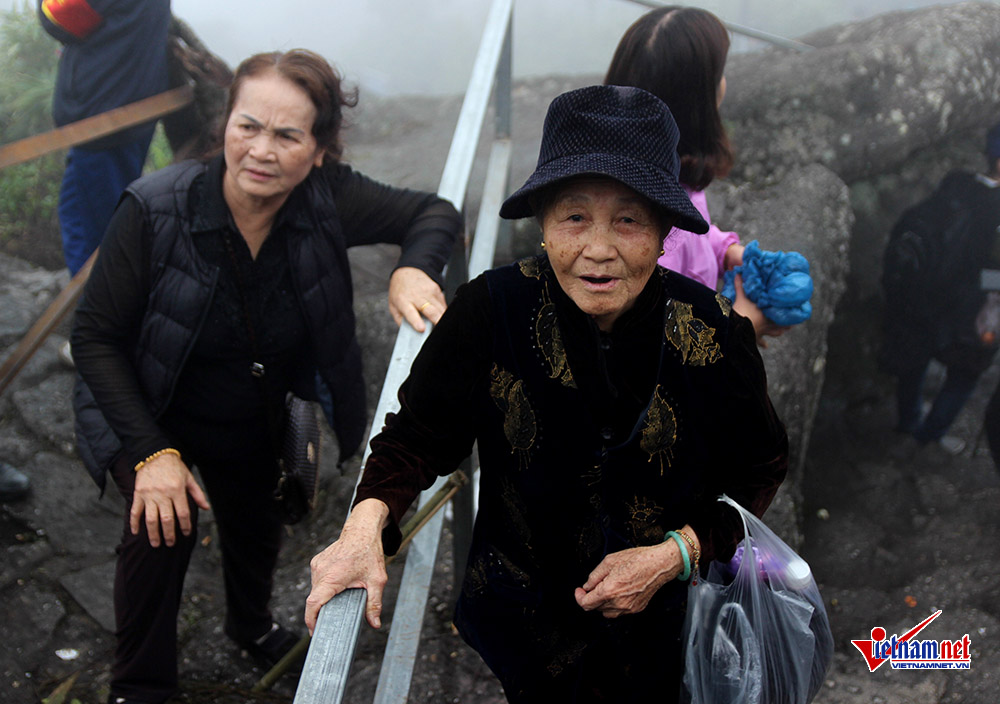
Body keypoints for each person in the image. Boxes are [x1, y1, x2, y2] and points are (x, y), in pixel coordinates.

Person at [306, 85, 788, 702]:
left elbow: (760, 467)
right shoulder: (491, 310)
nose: (598, 248)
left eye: (629, 219)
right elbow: (419, 436)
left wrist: (676, 556)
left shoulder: (714, 330)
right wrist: (362, 531)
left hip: (666, 627)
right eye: (575, 215)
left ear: (665, 231)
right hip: (525, 618)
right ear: (543, 222)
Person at [70, 49, 462, 704]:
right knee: (161, 524)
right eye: (247, 126)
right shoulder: (154, 209)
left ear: (318, 150)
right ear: (224, 123)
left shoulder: (326, 198)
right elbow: (95, 339)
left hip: (254, 405)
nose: (261, 150)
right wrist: (150, 454)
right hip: (151, 400)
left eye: (287, 135)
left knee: (257, 517)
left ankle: (249, 626)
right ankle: (138, 686)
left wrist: (413, 266)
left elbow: (434, 211)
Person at [604, 5, 791, 346]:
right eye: (718, 73)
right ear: (697, 102)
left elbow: (695, 236)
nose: (724, 82)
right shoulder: (647, 229)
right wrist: (744, 325)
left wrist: (725, 250)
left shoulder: (665, 180)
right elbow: (652, 350)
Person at [882, 121, 1000, 457]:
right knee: (964, 377)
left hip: (925, 298)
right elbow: (990, 273)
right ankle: (927, 438)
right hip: (969, 311)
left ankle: (907, 423)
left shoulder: (958, 182)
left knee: (916, 361)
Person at [39, 0, 171, 277]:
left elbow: (59, 16)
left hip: (102, 113)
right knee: (95, 217)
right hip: (131, 106)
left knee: (94, 233)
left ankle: (99, 310)